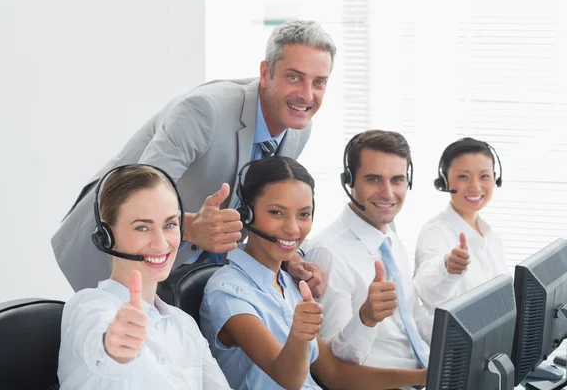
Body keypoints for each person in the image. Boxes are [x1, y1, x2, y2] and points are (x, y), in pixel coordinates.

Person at [52, 20, 335, 295]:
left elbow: (265, 206)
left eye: (319, 82)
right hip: (119, 249)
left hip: (195, 268)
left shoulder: (298, 127)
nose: (306, 95)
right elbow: (135, 196)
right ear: (266, 73)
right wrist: (189, 227)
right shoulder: (206, 110)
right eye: (294, 77)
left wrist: (290, 256)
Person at [200, 156, 427, 390]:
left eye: (304, 214)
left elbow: (335, 375)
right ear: (247, 213)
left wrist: (423, 377)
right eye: (277, 213)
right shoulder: (228, 292)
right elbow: (288, 379)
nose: (293, 228)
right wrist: (299, 335)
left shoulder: (287, 284)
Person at [57, 165, 231, 390]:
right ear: (107, 237)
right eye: (142, 228)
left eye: (169, 225)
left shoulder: (184, 325)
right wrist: (112, 347)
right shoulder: (88, 306)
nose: (161, 243)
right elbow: (100, 344)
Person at [305, 130, 433, 373]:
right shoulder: (329, 253)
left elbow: (416, 318)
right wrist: (366, 320)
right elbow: (332, 364)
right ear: (349, 181)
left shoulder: (390, 239)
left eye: (397, 179)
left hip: (422, 374)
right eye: (374, 179)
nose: (387, 192)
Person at [413, 137, 507, 313]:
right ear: (444, 181)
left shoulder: (491, 236)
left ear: (495, 179)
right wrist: (447, 269)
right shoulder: (435, 232)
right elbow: (425, 291)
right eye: (463, 176)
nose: (475, 186)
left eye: (484, 176)